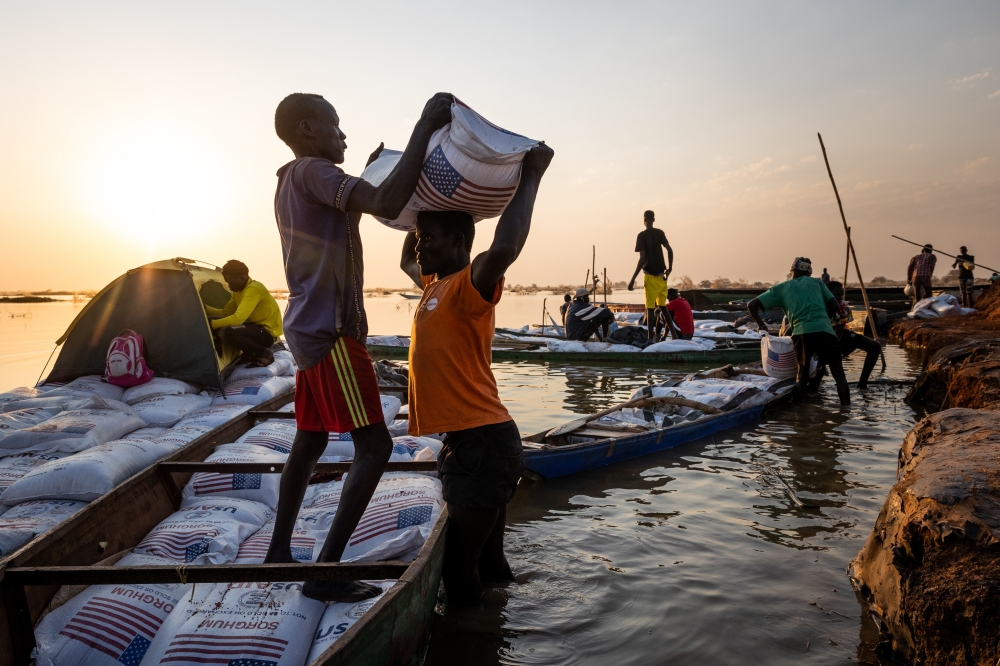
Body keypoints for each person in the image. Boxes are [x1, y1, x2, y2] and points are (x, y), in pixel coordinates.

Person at [264, 90, 453, 602]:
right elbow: (387, 203)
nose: (343, 135)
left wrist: (366, 174)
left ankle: (279, 549)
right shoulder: (314, 171)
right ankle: (324, 572)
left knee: (310, 440)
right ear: (307, 129)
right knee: (375, 445)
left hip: (306, 328)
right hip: (332, 334)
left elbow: (354, 209)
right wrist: (424, 126)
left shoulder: (293, 179)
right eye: (336, 125)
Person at [399, 143, 554, 606]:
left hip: (482, 444)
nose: (421, 245)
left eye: (431, 238)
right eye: (421, 237)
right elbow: (406, 258)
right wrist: (409, 192)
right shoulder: (433, 287)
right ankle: (506, 627)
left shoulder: (469, 287)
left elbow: (505, 246)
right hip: (473, 442)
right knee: (489, 566)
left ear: (460, 245)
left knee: (456, 568)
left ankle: (472, 643)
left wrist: (531, 176)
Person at [748, 257, 850, 405]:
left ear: (792, 271)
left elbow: (752, 305)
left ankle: (798, 415)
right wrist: (823, 320)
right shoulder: (817, 283)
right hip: (825, 331)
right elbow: (834, 305)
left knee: (802, 375)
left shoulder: (781, 288)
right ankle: (845, 413)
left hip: (802, 333)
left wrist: (762, 325)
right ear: (808, 272)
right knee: (839, 374)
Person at [204, 260, 283, 366]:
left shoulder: (254, 289)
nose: (229, 286)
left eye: (230, 282)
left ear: (242, 277)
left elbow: (238, 319)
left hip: (266, 333)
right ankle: (249, 353)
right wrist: (205, 309)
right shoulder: (238, 291)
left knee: (226, 332)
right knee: (208, 320)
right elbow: (227, 312)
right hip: (253, 328)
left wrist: (212, 324)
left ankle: (264, 353)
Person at [817, 281, 881, 390]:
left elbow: (840, 329)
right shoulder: (819, 306)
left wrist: (835, 345)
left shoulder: (844, 306)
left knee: (875, 346)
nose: (840, 297)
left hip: (837, 335)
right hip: (819, 337)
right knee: (818, 369)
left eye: (841, 294)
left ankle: (862, 384)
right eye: (836, 294)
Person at [627, 210, 674, 341]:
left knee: (650, 308)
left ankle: (650, 338)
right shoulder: (660, 233)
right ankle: (675, 336)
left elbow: (642, 259)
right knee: (663, 307)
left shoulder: (642, 236)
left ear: (644, 220)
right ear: (653, 219)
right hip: (662, 276)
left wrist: (632, 280)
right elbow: (669, 250)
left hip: (650, 277)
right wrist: (670, 268)